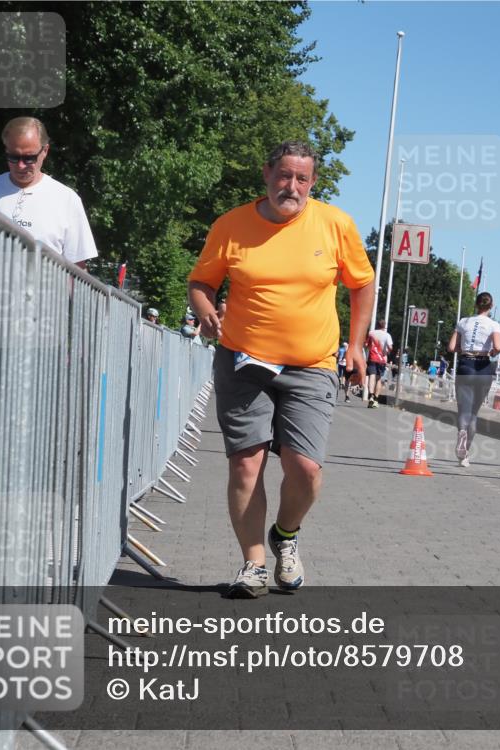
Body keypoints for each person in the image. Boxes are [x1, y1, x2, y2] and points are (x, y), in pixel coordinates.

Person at [187, 140, 374, 598]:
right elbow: (200, 281)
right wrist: (206, 311)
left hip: (312, 364)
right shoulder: (231, 225)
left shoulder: (335, 224)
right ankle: (253, 565)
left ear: (312, 182)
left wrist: (355, 345)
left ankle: (285, 536)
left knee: (305, 468)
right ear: (267, 173)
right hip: (243, 359)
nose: (291, 186)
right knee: (246, 465)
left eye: (302, 179)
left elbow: (362, 284)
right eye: (284, 175)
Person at [0, 117, 98, 268]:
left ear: (45, 151)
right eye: (13, 157)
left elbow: (78, 271)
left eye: (29, 158)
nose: (21, 165)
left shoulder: (67, 199)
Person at [447, 292, 500, 468]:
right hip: (483, 367)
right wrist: (491, 352)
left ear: (476, 304)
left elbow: (451, 347)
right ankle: (465, 455)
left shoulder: (463, 322)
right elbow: (498, 347)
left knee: (464, 410)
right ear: (490, 306)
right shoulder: (494, 325)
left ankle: (461, 434)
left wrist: (462, 349)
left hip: (466, 364)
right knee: (474, 413)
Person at [365, 319, 392, 409]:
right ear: (384, 326)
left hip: (372, 358)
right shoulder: (387, 335)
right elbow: (390, 347)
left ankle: (371, 396)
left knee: (372, 376)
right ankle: (376, 399)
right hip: (382, 359)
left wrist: (373, 348)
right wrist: (386, 351)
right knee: (379, 379)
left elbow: (366, 345)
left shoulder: (371, 333)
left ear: (377, 325)